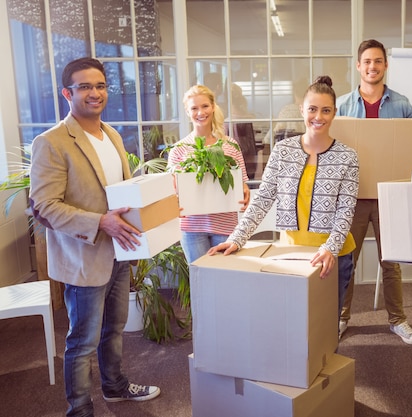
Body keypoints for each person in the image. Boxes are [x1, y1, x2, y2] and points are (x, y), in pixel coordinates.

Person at [28, 57, 161, 417]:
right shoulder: (52, 142)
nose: (94, 93)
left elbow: (122, 193)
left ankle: (115, 388)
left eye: (100, 85)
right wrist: (100, 222)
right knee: (82, 340)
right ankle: (80, 408)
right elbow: (43, 207)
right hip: (84, 256)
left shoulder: (112, 134)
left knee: (114, 330)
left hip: (119, 251)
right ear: (66, 93)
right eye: (85, 86)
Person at [208, 75, 359, 320]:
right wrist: (237, 238)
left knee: (326, 326)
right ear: (302, 110)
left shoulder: (348, 156)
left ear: (334, 113)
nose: (318, 117)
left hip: (332, 256)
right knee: (292, 323)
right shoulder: (283, 150)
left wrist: (331, 248)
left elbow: (346, 210)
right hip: (292, 252)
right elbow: (263, 199)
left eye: (325, 110)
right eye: (312, 109)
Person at [336, 38, 412, 345]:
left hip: (390, 196)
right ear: (358, 66)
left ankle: (398, 320)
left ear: (385, 65)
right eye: (367, 61)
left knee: (392, 262)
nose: (372, 66)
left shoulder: (401, 104)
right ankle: (340, 318)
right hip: (353, 197)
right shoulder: (344, 106)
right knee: (347, 260)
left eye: (378, 61)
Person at [167, 84, 250, 264]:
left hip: (226, 225)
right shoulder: (179, 150)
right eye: (194, 108)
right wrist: (174, 203)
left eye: (205, 106)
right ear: (188, 112)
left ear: (213, 107)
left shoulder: (230, 145)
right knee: (199, 279)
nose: (200, 112)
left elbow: (242, 181)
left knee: (225, 279)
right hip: (191, 228)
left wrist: (244, 191)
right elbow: (171, 192)